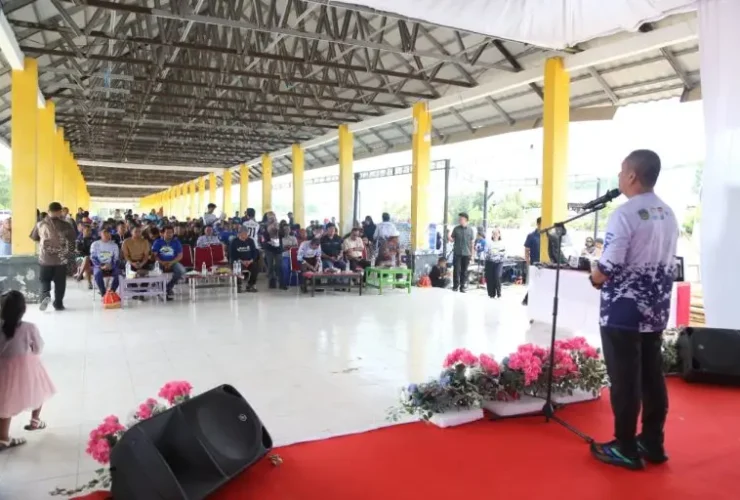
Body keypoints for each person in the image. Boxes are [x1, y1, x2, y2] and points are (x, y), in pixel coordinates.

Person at [588, 150, 678, 471]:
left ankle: (625, 446)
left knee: (624, 380)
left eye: (621, 170)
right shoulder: (668, 213)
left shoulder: (625, 214)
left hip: (623, 313)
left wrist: (594, 277)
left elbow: (609, 265)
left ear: (631, 176)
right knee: (652, 376)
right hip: (655, 310)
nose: (618, 176)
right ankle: (652, 440)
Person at [0, 291, 56, 451]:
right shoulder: (29, 328)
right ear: (23, 309)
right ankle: (35, 420)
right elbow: (38, 348)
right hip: (25, 368)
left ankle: (3, 437)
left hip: (2, 368)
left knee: (4, 401)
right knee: (39, 389)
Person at [30, 202, 76, 311]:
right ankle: (58, 304)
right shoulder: (66, 225)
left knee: (45, 280)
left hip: (45, 259)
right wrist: (70, 254)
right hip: (61, 259)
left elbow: (34, 237)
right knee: (60, 283)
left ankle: (45, 297)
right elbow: (72, 241)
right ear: (60, 211)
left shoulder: (40, 224)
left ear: (48, 211)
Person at [151, 226, 186, 301]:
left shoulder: (176, 242)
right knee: (156, 272)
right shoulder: (158, 242)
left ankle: (168, 287)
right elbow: (154, 256)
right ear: (163, 233)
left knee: (181, 271)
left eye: (171, 233)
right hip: (160, 262)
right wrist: (162, 262)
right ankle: (161, 288)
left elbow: (180, 256)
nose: (169, 234)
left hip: (173, 262)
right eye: (167, 232)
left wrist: (171, 263)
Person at [90, 228, 120, 298]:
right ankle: (103, 293)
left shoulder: (114, 245)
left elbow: (116, 258)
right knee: (98, 274)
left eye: (108, 234)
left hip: (111, 265)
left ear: (110, 235)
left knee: (119, 273)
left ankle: (112, 291)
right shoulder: (95, 244)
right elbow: (93, 257)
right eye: (104, 234)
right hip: (99, 265)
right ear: (100, 234)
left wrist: (111, 265)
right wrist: (101, 266)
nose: (106, 235)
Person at [229, 226, 259, 292]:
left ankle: (250, 285)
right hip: (238, 261)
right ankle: (238, 285)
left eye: (246, 233)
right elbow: (232, 255)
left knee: (255, 267)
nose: (245, 235)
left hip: (249, 261)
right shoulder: (234, 242)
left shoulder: (250, 241)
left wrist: (251, 260)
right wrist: (241, 261)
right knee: (237, 268)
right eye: (243, 234)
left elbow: (254, 252)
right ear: (239, 234)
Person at [450, 212, 474, 293]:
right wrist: (449, 237)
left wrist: (472, 255)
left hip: (467, 253)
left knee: (464, 271)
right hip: (457, 253)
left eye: (461, 219)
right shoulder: (456, 229)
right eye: (459, 219)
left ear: (466, 220)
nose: (459, 220)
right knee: (456, 270)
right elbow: (452, 239)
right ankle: (455, 286)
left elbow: (472, 244)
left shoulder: (470, 230)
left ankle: (462, 287)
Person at [522, 217, 542, 306]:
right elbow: (527, 250)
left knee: (541, 282)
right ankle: (526, 299)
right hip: (534, 263)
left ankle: (531, 299)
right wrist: (527, 261)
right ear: (538, 224)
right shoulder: (531, 236)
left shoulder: (546, 235)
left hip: (545, 263)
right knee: (534, 282)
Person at [261, 223, 284, 289]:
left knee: (279, 266)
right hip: (269, 250)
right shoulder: (266, 232)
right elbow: (264, 241)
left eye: (275, 225)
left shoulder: (279, 231)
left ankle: (281, 283)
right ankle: (272, 283)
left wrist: (278, 230)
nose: (274, 226)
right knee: (270, 266)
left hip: (278, 250)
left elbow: (283, 235)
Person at [484, 228, 506, 299]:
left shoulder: (502, 243)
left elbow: (504, 253)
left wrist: (498, 256)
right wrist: (490, 255)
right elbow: (486, 252)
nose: (495, 235)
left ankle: (499, 293)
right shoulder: (488, 243)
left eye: (496, 233)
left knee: (497, 276)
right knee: (490, 278)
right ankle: (491, 294)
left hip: (499, 262)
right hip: (489, 262)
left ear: (499, 234)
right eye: (493, 233)